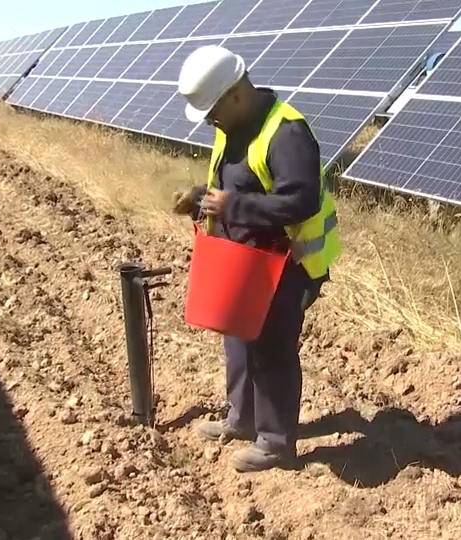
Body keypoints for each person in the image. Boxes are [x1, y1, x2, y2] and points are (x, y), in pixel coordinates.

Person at [171, 45, 342, 473]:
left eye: (212, 110)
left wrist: (233, 208)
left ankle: (276, 442)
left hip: (289, 262)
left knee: (272, 347)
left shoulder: (287, 133)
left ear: (235, 94)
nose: (210, 120)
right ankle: (242, 419)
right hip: (245, 261)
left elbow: (298, 202)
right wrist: (200, 200)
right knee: (238, 338)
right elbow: (235, 184)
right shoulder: (231, 127)